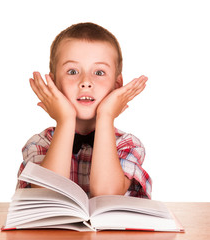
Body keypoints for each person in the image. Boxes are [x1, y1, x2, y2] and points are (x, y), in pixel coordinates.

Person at [17, 22, 152, 199]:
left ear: (116, 85)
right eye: (72, 71)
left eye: (99, 72)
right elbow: (47, 197)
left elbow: (107, 194)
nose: (86, 82)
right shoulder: (39, 143)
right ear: (54, 84)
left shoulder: (128, 145)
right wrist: (65, 120)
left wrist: (106, 116)